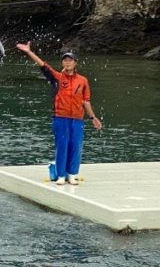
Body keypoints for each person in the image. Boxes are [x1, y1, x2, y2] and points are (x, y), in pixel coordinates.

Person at [16, 42, 103, 185]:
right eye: (65, 60)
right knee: (62, 145)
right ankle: (61, 175)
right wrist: (29, 52)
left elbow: (86, 100)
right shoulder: (57, 77)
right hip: (60, 117)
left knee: (75, 146)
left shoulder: (83, 80)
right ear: (62, 63)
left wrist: (93, 117)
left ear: (75, 63)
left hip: (77, 118)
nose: (67, 62)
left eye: (70, 60)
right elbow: (43, 65)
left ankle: (72, 174)